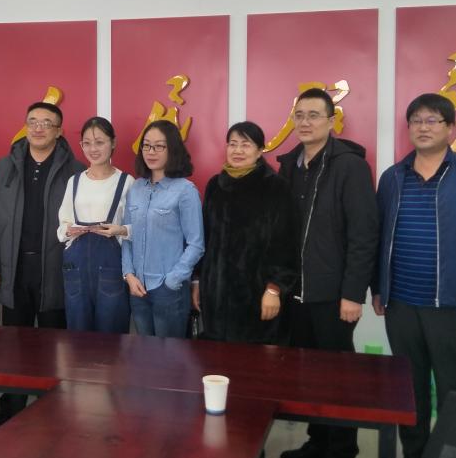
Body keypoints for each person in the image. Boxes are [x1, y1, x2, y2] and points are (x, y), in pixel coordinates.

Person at [373, 93, 456, 458]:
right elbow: (379, 237)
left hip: (452, 303)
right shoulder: (393, 177)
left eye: (432, 120)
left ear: (451, 128)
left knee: (452, 388)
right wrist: (379, 287)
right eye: (416, 120)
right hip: (401, 302)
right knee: (409, 389)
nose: (423, 127)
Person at [276, 88, 380, 458]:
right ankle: (317, 441)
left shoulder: (350, 166)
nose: (305, 122)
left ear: (332, 121)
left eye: (314, 115)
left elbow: (363, 234)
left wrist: (353, 293)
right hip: (296, 293)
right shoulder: (290, 166)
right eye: (299, 115)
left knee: (338, 379)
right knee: (307, 374)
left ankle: (342, 456)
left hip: (334, 295)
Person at [0, 101, 84, 423]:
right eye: (33, 121)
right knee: (15, 344)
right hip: (14, 268)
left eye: (46, 123)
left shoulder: (75, 170)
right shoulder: (6, 166)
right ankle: (11, 408)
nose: (38, 128)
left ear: (59, 130)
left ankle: (53, 410)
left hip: (55, 268)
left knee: (56, 344)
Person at [195, 121, 295, 345]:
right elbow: (206, 239)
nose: (237, 150)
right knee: (217, 358)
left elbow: (285, 244)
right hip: (216, 295)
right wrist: (198, 281)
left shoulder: (275, 187)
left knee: (254, 360)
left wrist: (274, 289)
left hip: (257, 296)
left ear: (260, 151)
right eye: (233, 144)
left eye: (245, 145)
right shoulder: (215, 185)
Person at [122, 120, 204, 338]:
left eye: (159, 146)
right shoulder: (136, 188)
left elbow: (196, 244)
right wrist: (128, 274)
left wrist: (173, 280)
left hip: (168, 290)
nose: (151, 152)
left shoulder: (185, 191)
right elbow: (127, 234)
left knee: (169, 355)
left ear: (173, 149)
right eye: (147, 145)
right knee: (144, 352)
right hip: (137, 288)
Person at [57, 116, 133, 333]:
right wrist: (68, 230)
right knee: (78, 337)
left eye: (99, 142)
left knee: (111, 336)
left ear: (113, 143)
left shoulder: (126, 182)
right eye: (87, 143)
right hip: (76, 266)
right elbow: (62, 224)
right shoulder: (75, 181)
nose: (93, 149)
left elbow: (136, 228)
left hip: (111, 266)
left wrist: (120, 230)